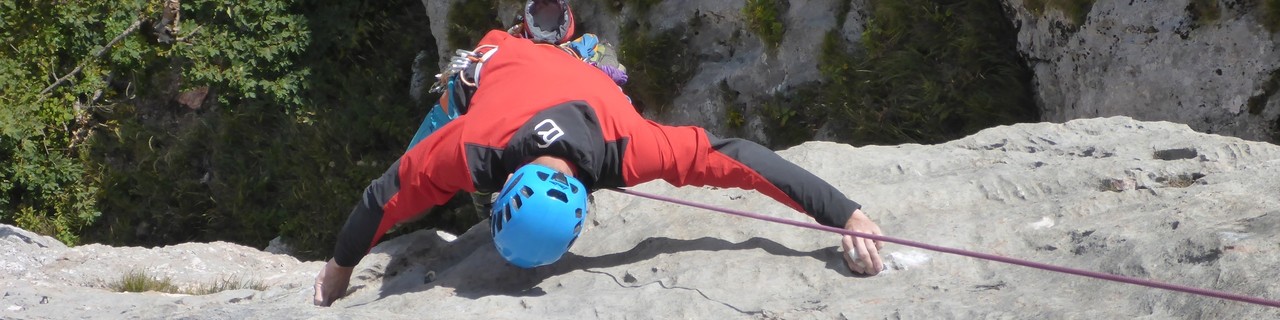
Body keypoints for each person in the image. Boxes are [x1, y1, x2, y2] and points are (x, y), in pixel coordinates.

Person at [313, 29, 885, 307]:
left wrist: (847, 214)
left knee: (414, 177)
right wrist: (338, 271)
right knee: (439, 122)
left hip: (551, 71)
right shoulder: (468, 145)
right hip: (495, 62)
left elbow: (378, 200)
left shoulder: (632, 146)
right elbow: (383, 195)